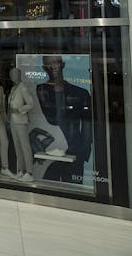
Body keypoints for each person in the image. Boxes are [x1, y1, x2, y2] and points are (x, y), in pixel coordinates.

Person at [36, 55, 92, 184]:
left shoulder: (80, 93)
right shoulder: (41, 90)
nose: (53, 66)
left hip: (74, 148)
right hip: (50, 147)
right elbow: (51, 119)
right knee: (48, 186)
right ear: (44, 67)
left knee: (73, 187)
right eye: (49, 63)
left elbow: (87, 125)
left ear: (63, 64)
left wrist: (83, 151)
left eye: (56, 62)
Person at [7, 68, 34, 182]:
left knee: (25, 146)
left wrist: (19, 110)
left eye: (14, 74)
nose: (13, 76)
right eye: (11, 74)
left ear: (19, 75)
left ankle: (29, 172)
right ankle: (22, 170)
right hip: (13, 121)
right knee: (17, 147)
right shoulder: (14, 88)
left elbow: (31, 104)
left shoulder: (23, 88)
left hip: (21, 121)